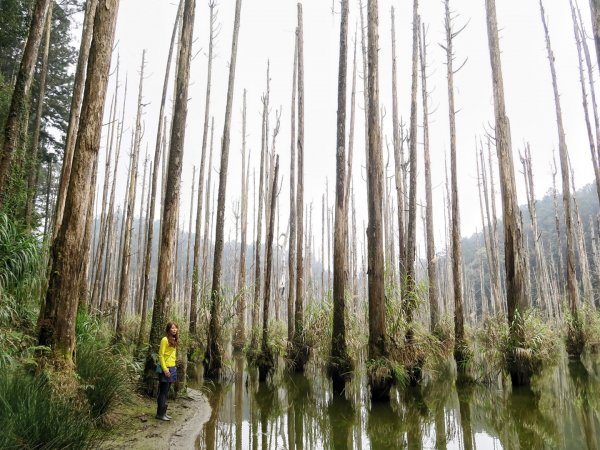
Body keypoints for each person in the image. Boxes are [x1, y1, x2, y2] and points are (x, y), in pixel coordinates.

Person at [156, 321, 178, 421]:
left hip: (172, 368)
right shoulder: (164, 340)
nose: (174, 329)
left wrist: (174, 368)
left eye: (175, 328)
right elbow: (161, 355)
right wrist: (165, 369)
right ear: (168, 329)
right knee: (163, 392)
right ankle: (160, 414)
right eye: (172, 328)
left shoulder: (174, 339)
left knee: (166, 391)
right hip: (166, 368)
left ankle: (163, 412)